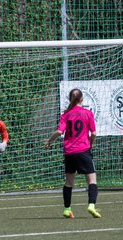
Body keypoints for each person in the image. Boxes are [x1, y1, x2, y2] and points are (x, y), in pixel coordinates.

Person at [44, 88, 101, 218]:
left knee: (69, 182)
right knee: (92, 180)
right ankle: (91, 205)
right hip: (83, 150)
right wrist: (90, 144)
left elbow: (59, 132)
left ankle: (67, 209)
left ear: (70, 99)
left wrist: (49, 141)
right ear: (82, 99)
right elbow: (94, 133)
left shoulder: (66, 115)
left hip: (69, 152)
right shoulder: (88, 113)